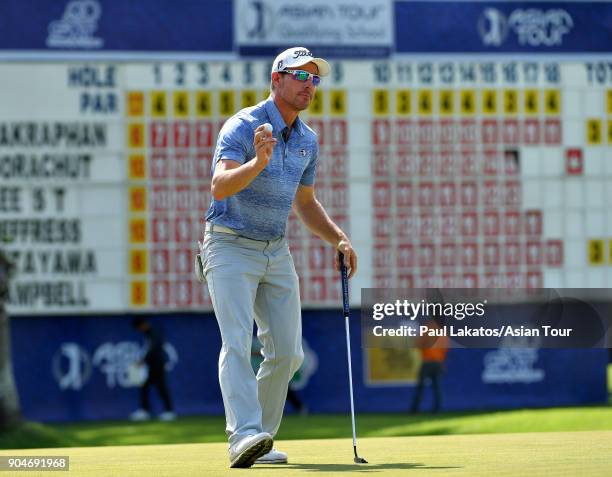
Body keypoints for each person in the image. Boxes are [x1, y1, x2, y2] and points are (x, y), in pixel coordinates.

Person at [201, 46, 357, 468]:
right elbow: (220, 186)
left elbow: (305, 203)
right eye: (300, 76)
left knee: (288, 353)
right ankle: (244, 435)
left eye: (315, 78)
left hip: (275, 248)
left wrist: (339, 238)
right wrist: (257, 162)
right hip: (229, 243)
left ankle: (260, 440)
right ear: (277, 80)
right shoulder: (244, 125)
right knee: (236, 340)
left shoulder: (308, 139)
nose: (309, 85)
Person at [129, 317, 176, 422]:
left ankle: (169, 412)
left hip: (158, 365)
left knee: (161, 387)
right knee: (144, 386)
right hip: (151, 366)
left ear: (143, 325)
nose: (140, 330)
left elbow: (154, 348)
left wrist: (143, 360)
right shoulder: (148, 333)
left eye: (139, 327)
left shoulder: (154, 332)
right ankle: (144, 411)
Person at [410, 317, 449, 414]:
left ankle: (415, 410)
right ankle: (437, 409)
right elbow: (445, 349)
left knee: (421, 387)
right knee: (436, 387)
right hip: (437, 362)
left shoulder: (427, 329)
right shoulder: (442, 331)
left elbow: (418, 344)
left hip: (427, 362)